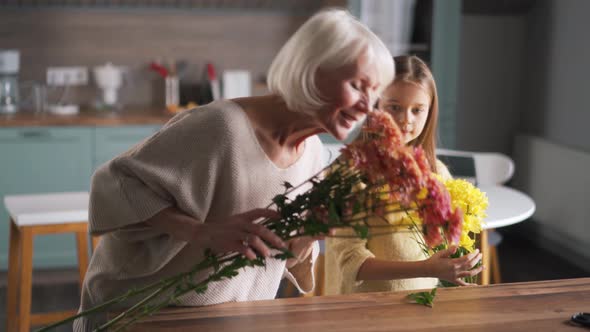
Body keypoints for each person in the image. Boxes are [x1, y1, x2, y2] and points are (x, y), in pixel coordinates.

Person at [73, 8, 394, 331]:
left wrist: (311, 232)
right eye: (357, 85)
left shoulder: (313, 156)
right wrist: (200, 231)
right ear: (313, 69)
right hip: (138, 315)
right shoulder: (221, 128)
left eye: (375, 93)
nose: (368, 106)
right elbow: (113, 183)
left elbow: (278, 258)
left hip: (224, 322)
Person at [324, 55, 483, 295]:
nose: (405, 120)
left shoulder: (436, 171)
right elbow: (351, 263)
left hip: (418, 305)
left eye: (417, 110)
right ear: (375, 106)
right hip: (359, 313)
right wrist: (428, 268)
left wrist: (453, 259)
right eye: (394, 107)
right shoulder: (348, 174)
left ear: (430, 112)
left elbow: (441, 243)